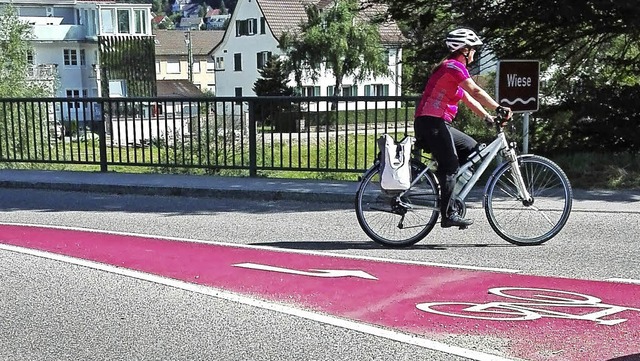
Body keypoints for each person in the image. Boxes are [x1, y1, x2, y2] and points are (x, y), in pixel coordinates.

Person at [414, 27, 512, 228]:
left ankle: (451, 192)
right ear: (464, 50)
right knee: (450, 165)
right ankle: (447, 213)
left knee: (473, 148)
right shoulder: (453, 67)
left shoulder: (455, 71)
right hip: (431, 121)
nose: (475, 53)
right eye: (474, 49)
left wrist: (487, 116)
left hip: (438, 122)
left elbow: (467, 98)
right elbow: (475, 91)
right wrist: (499, 107)